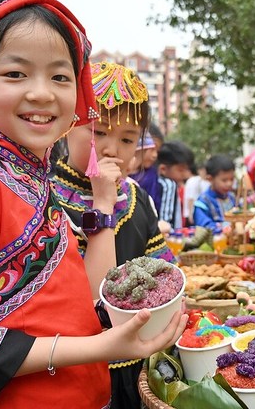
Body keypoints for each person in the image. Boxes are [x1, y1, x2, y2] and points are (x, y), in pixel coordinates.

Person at [0, 0, 187, 407]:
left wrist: (103, 205)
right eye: (16, 73)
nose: (41, 93)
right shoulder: (9, 182)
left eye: (60, 77)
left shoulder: (33, 181)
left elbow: (85, 299)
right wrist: (103, 346)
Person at [51, 62, 175, 409]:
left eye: (126, 139)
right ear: (66, 127)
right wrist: (103, 202)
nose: (111, 149)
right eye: (99, 133)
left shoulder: (137, 197)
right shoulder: (45, 198)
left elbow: (165, 271)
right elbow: (92, 300)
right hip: (76, 365)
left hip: (140, 365)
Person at [157, 140, 194, 229]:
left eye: (186, 170)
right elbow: (165, 221)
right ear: (163, 169)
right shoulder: (169, 185)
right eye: (181, 170)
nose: (184, 174)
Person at [193, 154, 236, 230]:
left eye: (232, 179)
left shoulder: (232, 198)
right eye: (224, 180)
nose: (229, 184)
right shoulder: (203, 202)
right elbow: (204, 226)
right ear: (210, 179)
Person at [183, 162, 210, 226]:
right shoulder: (194, 181)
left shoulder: (206, 182)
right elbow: (191, 198)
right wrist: (190, 215)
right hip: (192, 213)